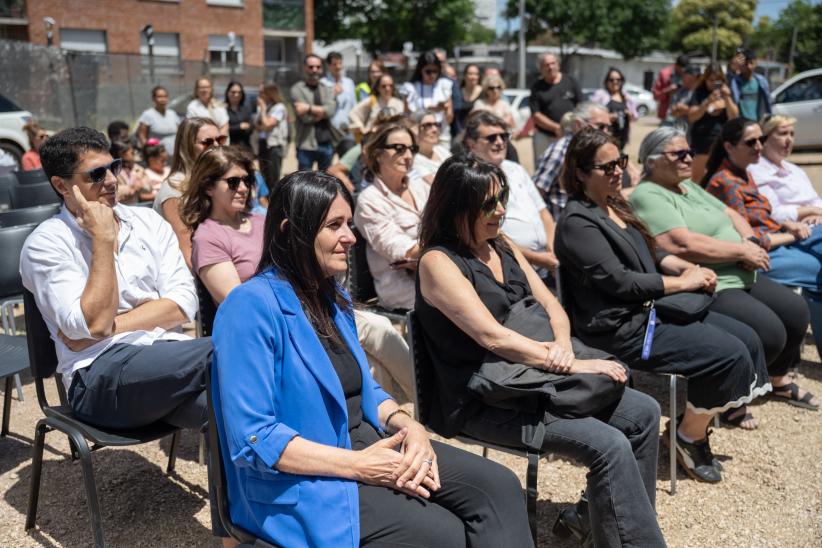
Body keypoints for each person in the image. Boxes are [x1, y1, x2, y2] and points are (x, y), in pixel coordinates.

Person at [211, 170, 532, 547]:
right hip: (304, 478)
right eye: (334, 225)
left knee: (499, 487)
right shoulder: (249, 306)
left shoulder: (332, 297)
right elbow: (254, 436)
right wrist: (360, 466)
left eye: (349, 223)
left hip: (368, 444)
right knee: (445, 533)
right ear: (289, 231)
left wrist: (407, 425)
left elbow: (365, 388)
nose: (351, 236)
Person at [415, 153, 665, 546]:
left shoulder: (501, 244)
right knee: (609, 444)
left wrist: (565, 348)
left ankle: (607, 521)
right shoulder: (437, 261)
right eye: (488, 204)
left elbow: (550, 303)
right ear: (456, 206)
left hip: (536, 377)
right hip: (485, 397)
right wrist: (573, 366)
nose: (501, 211)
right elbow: (492, 337)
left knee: (645, 412)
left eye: (502, 199)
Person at [19, 126, 227, 541]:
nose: (112, 179)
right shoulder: (46, 244)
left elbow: (182, 303)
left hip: (166, 365)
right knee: (232, 348)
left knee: (230, 409)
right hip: (97, 379)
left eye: (113, 166)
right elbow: (89, 326)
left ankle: (234, 534)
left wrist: (108, 326)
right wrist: (102, 239)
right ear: (62, 185)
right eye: (96, 174)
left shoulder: (147, 222)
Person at [555, 127, 771, 482]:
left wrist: (682, 266)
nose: (617, 171)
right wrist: (683, 282)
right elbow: (621, 282)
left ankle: (690, 427)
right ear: (579, 172)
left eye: (620, 162)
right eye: (606, 167)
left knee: (747, 338)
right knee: (728, 355)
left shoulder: (615, 203)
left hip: (649, 311)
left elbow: (651, 251)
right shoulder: (577, 222)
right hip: (620, 328)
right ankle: (689, 436)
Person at [631, 126, 810, 428]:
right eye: (679, 154)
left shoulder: (687, 186)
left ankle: (776, 379)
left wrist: (750, 243)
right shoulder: (648, 194)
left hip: (740, 269)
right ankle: (730, 396)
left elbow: (731, 214)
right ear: (652, 160)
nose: (689, 158)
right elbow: (681, 244)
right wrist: (741, 252)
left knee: (796, 312)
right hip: (711, 280)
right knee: (770, 334)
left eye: (689, 151)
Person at [701, 118, 822, 409]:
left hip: (780, 240)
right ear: (729, 146)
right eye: (751, 141)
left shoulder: (744, 173)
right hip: (760, 255)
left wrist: (786, 225)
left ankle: (779, 376)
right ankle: (775, 378)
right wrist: (789, 231)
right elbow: (748, 239)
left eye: (760, 140)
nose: (758, 146)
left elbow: (765, 216)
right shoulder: (725, 182)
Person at [464, 111, 557, 277]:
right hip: (510, 270)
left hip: (547, 263)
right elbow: (487, 233)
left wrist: (551, 248)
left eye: (504, 136)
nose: (500, 142)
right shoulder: (470, 177)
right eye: (491, 137)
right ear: (472, 144)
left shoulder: (516, 169)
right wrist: (536, 258)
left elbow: (543, 211)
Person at [353, 122, 428, 310]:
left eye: (412, 149)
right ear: (378, 155)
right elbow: (400, 251)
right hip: (401, 287)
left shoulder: (421, 188)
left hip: (435, 273)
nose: (408, 156)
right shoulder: (369, 200)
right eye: (399, 149)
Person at [154, 117, 225, 268]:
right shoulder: (174, 190)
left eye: (220, 139)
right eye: (207, 142)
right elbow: (187, 251)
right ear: (187, 147)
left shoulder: (215, 180)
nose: (216, 146)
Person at [533, 102, 613, 217]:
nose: (606, 132)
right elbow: (536, 194)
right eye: (600, 126)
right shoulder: (559, 151)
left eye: (608, 127)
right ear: (578, 124)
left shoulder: (595, 150)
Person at [748, 114, 822, 224]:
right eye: (783, 134)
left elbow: (815, 199)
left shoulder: (795, 170)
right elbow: (773, 214)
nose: (789, 140)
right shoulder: (757, 171)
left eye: (792, 134)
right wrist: (811, 210)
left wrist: (818, 215)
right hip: (791, 229)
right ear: (764, 139)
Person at [688, 63, 739, 182]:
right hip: (702, 142)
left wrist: (727, 98)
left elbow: (734, 116)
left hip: (720, 143)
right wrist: (707, 102)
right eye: (711, 80)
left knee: (718, 178)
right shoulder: (700, 92)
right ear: (705, 79)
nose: (714, 83)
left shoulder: (726, 93)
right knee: (697, 179)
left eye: (717, 80)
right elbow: (692, 117)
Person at [528, 52, 583, 161]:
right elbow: (536, 115)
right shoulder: (536, 87)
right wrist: (557, 128)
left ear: (558, 64)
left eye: (553, 63)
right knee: (543, 165)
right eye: (546, 65)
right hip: (544, 136)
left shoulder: (571, 82)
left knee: (570, 166)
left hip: (570, 135)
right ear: (541, 68)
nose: (550, 67)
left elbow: (581, 107)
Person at [292, 54, 337, 170]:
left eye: (318, 67)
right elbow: (305, 118)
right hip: (305, 144)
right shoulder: (297, 89)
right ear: (304, 68)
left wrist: (308, 108)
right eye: (311, 67)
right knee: (305, 179)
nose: (315, 70)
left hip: (326, 143)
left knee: (325, 179)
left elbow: (331, 111)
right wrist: (323, 112)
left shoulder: (327, 89)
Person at [400, 51, 454, 146]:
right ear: (420, 70)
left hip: (441, 137)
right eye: (428, 71)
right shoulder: (410, 88)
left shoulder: (444, 85)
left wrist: (445, 109)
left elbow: (450, 119)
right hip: (419, 138)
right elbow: (406, 118)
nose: (432, 75)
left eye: (435, 71)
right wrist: (426, 112)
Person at [591, 67, 638, 151]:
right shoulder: (601, 94)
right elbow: (591, 114)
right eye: (611, 80)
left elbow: (635, 116)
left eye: (618, 79)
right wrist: (608, 117)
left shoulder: (625, 96)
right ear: (606, 81)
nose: (615, 82)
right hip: (605, 134)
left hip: (622, 134)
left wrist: (628, 114)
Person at [348, 73, 405, 139]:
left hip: (393, 138)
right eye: (384, 86)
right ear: (378, 87)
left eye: (390, 85)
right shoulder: (372, 100)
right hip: (373, 139)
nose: (387, 88)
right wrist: (362, 129)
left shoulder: (399, 103)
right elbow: (353, 113)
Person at [323, 51, 357, 155]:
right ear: (329, 66)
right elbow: (322, 105)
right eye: (334, 64)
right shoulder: (323, 83)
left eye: (340, 63)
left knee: (347, 161)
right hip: (329, 131)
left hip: (346, 130)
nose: (338, 67)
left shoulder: (349, 83)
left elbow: (354, 106)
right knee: (328, 164)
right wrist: (332, 95)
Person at [255, 82, 288, 190]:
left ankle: (274, 198)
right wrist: (263, 114)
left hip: (274, 146)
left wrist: (263, 111)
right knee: (264, 175)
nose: (259, 95)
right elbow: (257, 125)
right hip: (263, 143)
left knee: (273, 177)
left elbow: (268, 124)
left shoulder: (279, 107)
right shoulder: (267, 106)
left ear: (270, 93)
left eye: (262, 92)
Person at [730, 48, 772, 122]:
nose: (749, 67)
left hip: (758, 122)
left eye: (751, 63)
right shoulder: (734, 82)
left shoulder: (761, 81)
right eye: (745, 64)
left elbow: (767, 103)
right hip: (741, 124)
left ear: (756, 63)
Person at [137, 85, 181, 155]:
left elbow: (180, 133)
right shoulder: (147, 114)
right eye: (159, 96)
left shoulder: (172, 114)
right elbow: (142, 136)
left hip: (175, 155)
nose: (163, 99)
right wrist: (148, 152)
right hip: (157, 156)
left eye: (165, 96)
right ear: (153, 98)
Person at [411, 111, 451, 185]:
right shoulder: (414, 160)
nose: (435, 129)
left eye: (436, 124)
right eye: (428, 125)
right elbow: (435, 185)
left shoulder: (441, 149)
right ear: (415, 129)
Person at [661, 64, 700, 131]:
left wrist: (686, 110)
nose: (683, 78)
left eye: (685, 76)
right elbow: (673, 111)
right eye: (683, 76)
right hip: (679, 127)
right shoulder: (679, 91)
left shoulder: (701, 92)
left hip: (696, 129)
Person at [109, 140, 148, 205]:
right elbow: (113, 191)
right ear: (122, 154)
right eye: (132, 153)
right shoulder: (112, 171)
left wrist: (141, 184)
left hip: (136, 206)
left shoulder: (138, 169)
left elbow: (148, 186)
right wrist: (130, 188)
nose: (134, 155)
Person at [652, 54, 689, 121]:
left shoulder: (690, 74)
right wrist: (668, 90)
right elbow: (655, 96)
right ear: (676, 65)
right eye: (680, 69)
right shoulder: (664, 74)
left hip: (685, 116)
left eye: (684, 69)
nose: (682, 71)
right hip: (667, 115)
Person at [224, 81, 254, 151]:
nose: (236, 95)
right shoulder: (223, 109)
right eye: (233, 92)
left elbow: (251, 127)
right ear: (227, 93)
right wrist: (239, 127)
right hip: (229, 147)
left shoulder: (246, 109)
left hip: (245, 147)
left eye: (239, 92)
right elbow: (223, 129)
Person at [455, 64, 482, 131]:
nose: (473, 77)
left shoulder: (484, 92)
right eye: (470, 74)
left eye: (476, 74)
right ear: (464, 76)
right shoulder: (457, 92)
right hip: (460, 130)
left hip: (479, 130)